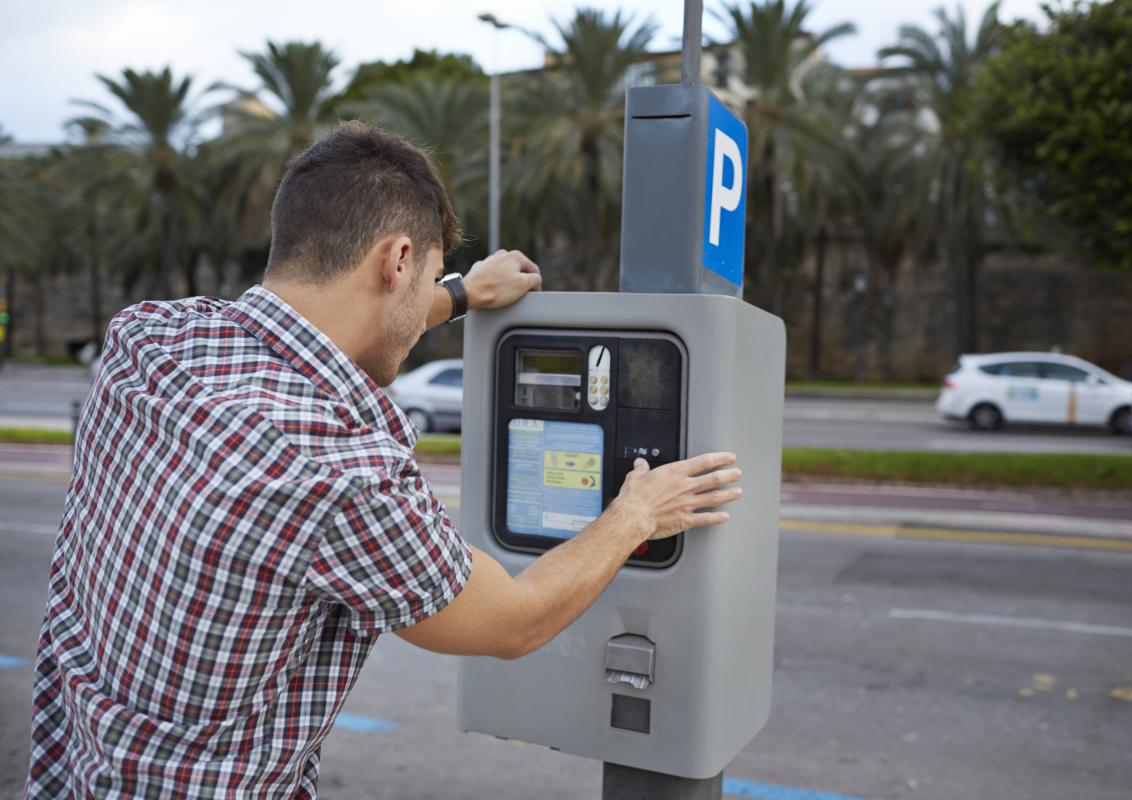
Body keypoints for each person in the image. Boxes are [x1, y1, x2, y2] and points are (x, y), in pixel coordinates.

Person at [25, 121, 741, 798]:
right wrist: (636, 512)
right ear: (398, 261)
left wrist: (457, 294)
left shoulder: (151, 341)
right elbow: (515, 620)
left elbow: (312, 326)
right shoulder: (340, 471)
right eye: (430, 270)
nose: (433, 286)